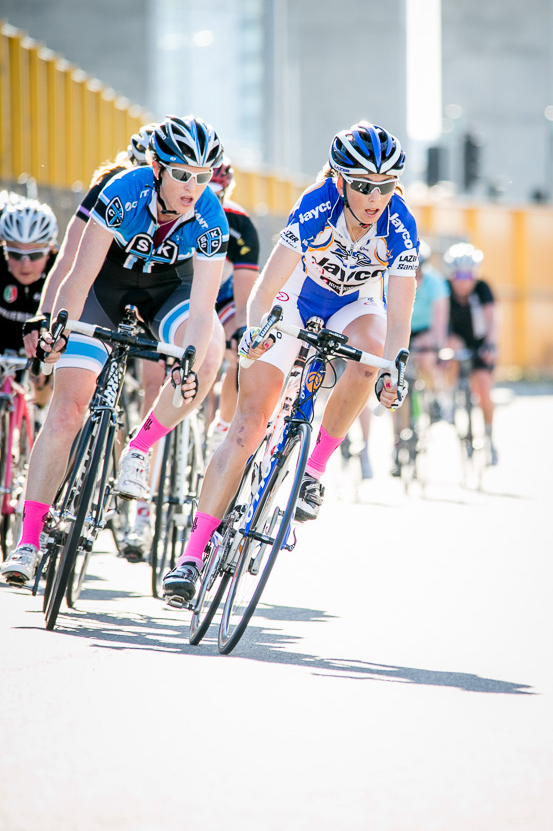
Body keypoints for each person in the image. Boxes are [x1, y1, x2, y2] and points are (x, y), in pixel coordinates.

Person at [162, 120, 418, 604]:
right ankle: (191, 557)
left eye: (385, 187)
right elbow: (262, 293)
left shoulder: (399, 222)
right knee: (248, 427)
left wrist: (394, 367)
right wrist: (258, 333)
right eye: (362, 186)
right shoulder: (318, 204)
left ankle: (315, 468)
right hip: (294, 299)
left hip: (354, 307)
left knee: (372, 354)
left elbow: (399, 315)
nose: (374, 196)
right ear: (340, 181)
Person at [1, 114, 229, 586]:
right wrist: (56, 325)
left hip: (169, 293)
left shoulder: (211, 217)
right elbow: (78, 275)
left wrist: (187, 360)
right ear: (157, 167)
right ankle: (27, 542)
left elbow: (204, 309)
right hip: (107, 291)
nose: (193, 186)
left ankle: (140, 449)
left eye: (203, 177)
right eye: (183, 174)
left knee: (208, 355)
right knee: (67, 411)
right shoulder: (123, 190)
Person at [206, 158, 261, 455]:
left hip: (223, 299)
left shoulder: (239, 225)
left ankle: (221, 427)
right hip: (177, 294)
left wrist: (240, 334)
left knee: (239, 350)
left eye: (216, 197)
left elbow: (244, 303)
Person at [0, 199, 59, 416]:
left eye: (34, 256)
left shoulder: (58, 269)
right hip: (4, 337)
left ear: (50, 250)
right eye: (15, 254)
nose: (25, 264)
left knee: (42, 381)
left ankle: (37, 415)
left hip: (39, 342)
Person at [443, 242, 498, 464]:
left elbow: (492, 319)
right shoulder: (444, 290)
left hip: (479, 344)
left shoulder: (483, 289)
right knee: (449, 358)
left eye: (468, 276)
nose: (463, 281)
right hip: (455, 343)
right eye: (458, 276)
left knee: (483, 385)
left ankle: (489, 433)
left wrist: (491, 344)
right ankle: (449, 400)